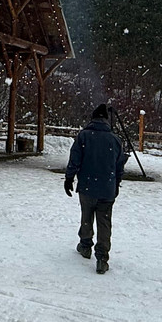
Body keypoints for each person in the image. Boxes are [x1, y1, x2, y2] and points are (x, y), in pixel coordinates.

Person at [64, 103, 127, 274]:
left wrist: (69, 178)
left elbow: (75, 159)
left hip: (87, 185)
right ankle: (102, 258)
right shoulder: (115, 140)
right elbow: (119, 165)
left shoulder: (84, 136)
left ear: (92, 118)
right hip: (107, 188)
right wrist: (116, 183)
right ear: (106, 120)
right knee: (104, 222)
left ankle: (85, 245)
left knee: (87, 215)